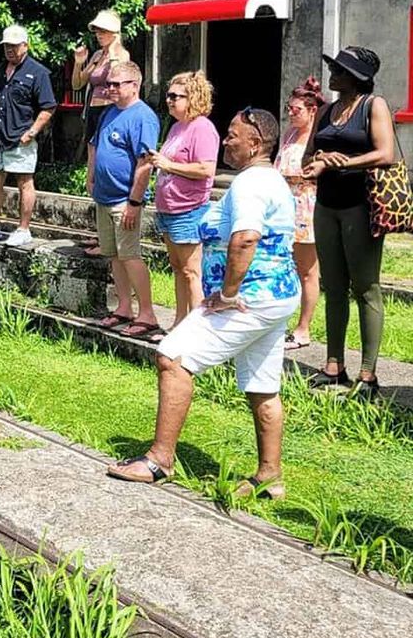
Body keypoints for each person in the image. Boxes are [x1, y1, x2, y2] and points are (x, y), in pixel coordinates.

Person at [108, 108, 300, 499]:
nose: (226, 140)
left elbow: (245, 238)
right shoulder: (270, 180)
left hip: (250, 298)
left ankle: (160, 460)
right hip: (276, 296)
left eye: (233, 134)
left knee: (173, 357)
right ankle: (269, 476)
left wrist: (228, 293)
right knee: (262, 385)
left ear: (256, 143)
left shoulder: (250, 185)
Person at [303, 47, 395, 398]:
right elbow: (311, 153)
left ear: (356, 77)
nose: (332, 73)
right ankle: (333, 366)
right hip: (326, 205)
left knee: (366, 288)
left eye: (339, 70)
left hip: (360, 206)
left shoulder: (374, 106)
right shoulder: (326, 111)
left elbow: (385, 154)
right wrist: (319, 159)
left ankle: (368, 374)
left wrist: (342, 163)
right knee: (334, 287)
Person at [0, 25, 57, 249]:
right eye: (6, 45)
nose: (9, 50)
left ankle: (24, 229)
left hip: (21, 136)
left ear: (25, 45)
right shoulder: (0, 71)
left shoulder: (38, 72)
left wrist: (33, 131)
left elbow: (48, 107)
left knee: (24, 181)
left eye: (14, 46)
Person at [89, 62, 162, 339]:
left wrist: (135, 201)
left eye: (117, 84)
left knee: (130, 255)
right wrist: (91, 175)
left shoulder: (142, 117)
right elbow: (95, 145)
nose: (110, 89)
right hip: (104, 197)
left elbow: (145, 162)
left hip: (124, 199)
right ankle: (123, 307)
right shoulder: (109, 112)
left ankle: (147, 312)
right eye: (109, 83)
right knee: (113, 255)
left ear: (135, 85)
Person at [147, 72, 220, 323]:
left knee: (191, 271)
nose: (169, 100)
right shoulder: (178, 126)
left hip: (188, 209)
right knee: (178, 269)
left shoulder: (202, 128)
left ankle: (199, 327)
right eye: (169, 95)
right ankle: (180, 321)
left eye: (175, 96)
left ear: (194, 98)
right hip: (169, 209)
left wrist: (167, 165)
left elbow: (206, 169)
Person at [274, 76, 324, 350]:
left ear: (312, 110)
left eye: (297, 110)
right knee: (286, 266)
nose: (291, 114)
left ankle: (304, 328)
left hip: (306, 207)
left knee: (307, 270)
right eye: (289, 109)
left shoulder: (318, 139)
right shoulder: (290, 134)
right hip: (285, 205)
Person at [71, 9, 130, 200]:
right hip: (93, 107)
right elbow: (77, 83)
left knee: (107, 147)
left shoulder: (122, 55)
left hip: (110, 107)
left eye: (103, 31)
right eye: (97, 32)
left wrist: (112, 56)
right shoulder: (97, 55)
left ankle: (109, 184)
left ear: (114, 33)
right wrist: (79, 63)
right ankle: (90, 183)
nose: (99, 35)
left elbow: (117, 78)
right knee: (91, 147)